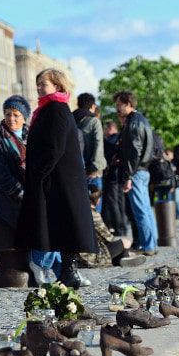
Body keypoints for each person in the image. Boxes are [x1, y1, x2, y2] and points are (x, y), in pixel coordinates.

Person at [16, 69, 98, 289]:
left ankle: (68, 272)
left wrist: (39, 173)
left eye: (44, 84)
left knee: (64, 224)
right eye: (38, 84)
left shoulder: (57, 109)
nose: (40, 88)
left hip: (60, 178)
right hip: (55, 178)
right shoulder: (46, 109)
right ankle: (67, 272)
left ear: (58, 86)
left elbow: (55, 146)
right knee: (60, 224)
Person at [0, 95, 60, 283]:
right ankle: (40, 268)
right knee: (42, 223)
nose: (11, 119)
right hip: (9, 201)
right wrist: (22, 194)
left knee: (57, 222)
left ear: (24, 117)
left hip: (32, 195)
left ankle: (58, 270)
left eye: (16, 115)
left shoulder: (32, 135)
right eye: (8, 114)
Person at [113, 91, 158, 255]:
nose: (117, 108)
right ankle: (151, 244)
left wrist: (128, 176)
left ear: (128, 104)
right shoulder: (141, 120)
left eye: (119, 105)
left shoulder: (133, 123)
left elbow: (133, 152)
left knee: (141, 211)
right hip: (142, 170)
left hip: (136, 172)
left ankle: (148, 246)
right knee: (145, 209)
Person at [78, 186, 145, 268]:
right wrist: (122, 245)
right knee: (125, 242)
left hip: (81, 257)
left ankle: (122, 259)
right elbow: (108, 237)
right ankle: (125, 257)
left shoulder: (80, 213)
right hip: (92, 257)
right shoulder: (93, 214)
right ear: (97, 199)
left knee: (119, 246)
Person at [74, 93, 105, 208]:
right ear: (92, 106)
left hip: (77, 172)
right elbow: (98, 145)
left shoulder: (71, 121)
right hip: (93, 173)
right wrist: (95, 168)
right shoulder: (94, 121)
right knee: (96, 208)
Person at [101, 120, 129, 236]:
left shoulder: (111, 140)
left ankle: (118, 227)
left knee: (113, 202)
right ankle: (122, 227)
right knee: (120, 202)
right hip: (121, 175)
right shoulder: (122, 138)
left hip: (113, 175)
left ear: (109, 129)